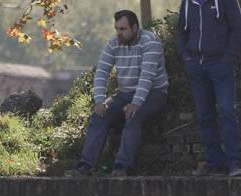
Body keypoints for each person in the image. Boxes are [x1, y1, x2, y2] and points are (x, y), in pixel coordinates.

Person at [67, 9, 169, 178]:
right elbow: (101, 72)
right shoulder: (114, 43)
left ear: (135, 27)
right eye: (117, 29)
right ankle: (85, 166)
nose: (119, 33)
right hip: (124, 93)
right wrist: (100, 101)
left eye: (123, 29)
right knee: (98, 116)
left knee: (133, 116)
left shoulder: (150, 42)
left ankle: (122, 167)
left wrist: (136, 103)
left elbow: (147, 76)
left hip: (154, 92)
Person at [176, 0, 241, 177]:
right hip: (197, 65)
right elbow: (181, 32)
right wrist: (186, 58)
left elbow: (238, 29)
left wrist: (228, 58)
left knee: (226, 112)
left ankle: (234, 163)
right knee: (205, 116)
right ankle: (215, 163)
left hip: (220, 64)